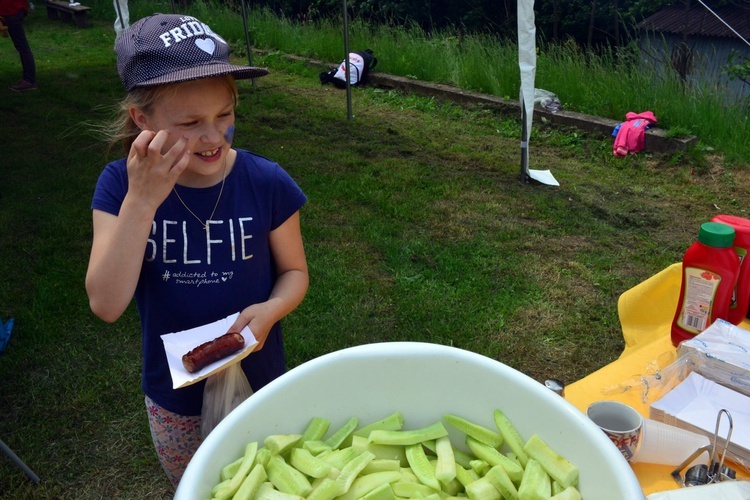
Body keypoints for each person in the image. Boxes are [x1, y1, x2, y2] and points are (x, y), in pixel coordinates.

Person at [85, 13, 309, 487]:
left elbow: (295, 272)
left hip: (262, 380)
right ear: (141, 119)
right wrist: (142, 201)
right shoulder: (118, 188)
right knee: (200, 486)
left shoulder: (266, 181)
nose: (213, 137)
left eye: (224, 115)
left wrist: (270, 309)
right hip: (175, 399)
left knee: (270, 485)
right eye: (190, 122)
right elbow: (105, 304)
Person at [0, 0, 37, 91]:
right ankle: (28, 79)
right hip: (13, 9)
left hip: (11, 10)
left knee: (22, 46)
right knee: (22, 46)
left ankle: (29, 81)